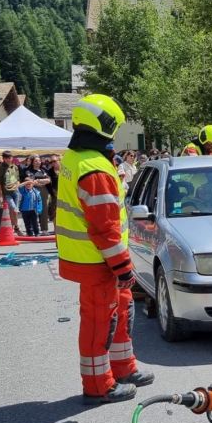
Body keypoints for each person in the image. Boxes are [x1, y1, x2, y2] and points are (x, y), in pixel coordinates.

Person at [56, 94, 154, 404]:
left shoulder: (81, 158)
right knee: (101, 322)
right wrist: (123, 267)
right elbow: (105, 228)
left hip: (100, 261)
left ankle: (123, 368)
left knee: (121, 313)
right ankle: (99, 385)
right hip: (99, 262)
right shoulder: (93, 168)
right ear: (106, 126)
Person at [22, 155, 53, 234]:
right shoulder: (28, 171)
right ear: (32, 162)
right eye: (36, 161)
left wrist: (38, 180)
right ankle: (32, 228)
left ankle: (44, 229)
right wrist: (39, 182)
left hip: (43, 191)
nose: (38, 162)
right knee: (32, 209)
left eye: (39, 161)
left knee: (44, 209)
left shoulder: (43, 170)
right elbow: (29, 180)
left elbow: (49, 180)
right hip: (32, 191)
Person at [0, 151, 22, 235]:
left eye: (10, 157)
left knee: (15, 210)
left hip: (16, 191)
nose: (8, 159)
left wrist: (17, 184)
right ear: (3, 158)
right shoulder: (0, 168)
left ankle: (16, 227)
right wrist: (0, 196)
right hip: (7, 193)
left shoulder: (15, 167)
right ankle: (14, 227)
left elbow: (18, 178)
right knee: (13, 208)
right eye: (6, 158)